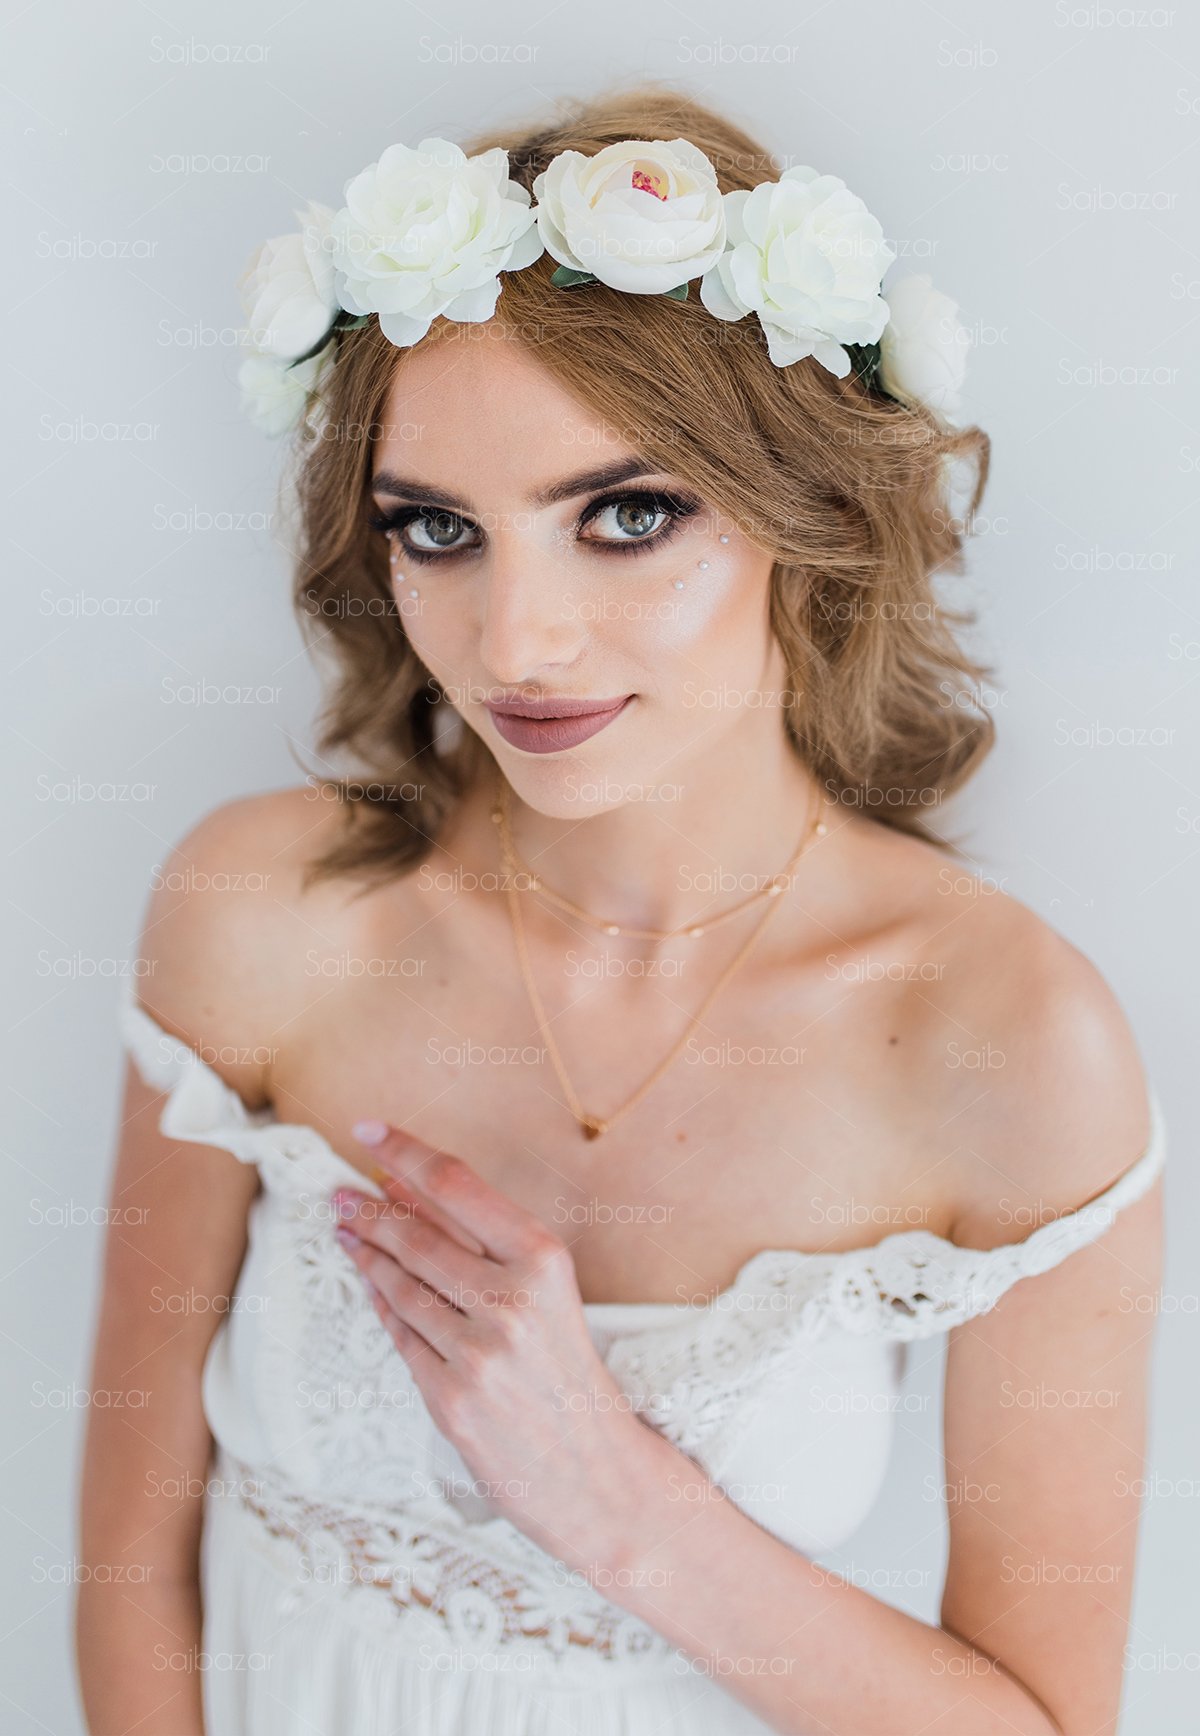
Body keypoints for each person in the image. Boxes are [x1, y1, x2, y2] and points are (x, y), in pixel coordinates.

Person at [77, 85, 1167, 1736]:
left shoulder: (1009, 1045)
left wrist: (614, 1499)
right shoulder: (260, 916)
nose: (518, 643)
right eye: (439, 530)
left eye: (627, 516)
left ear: (810, 513)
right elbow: (127, 1561)